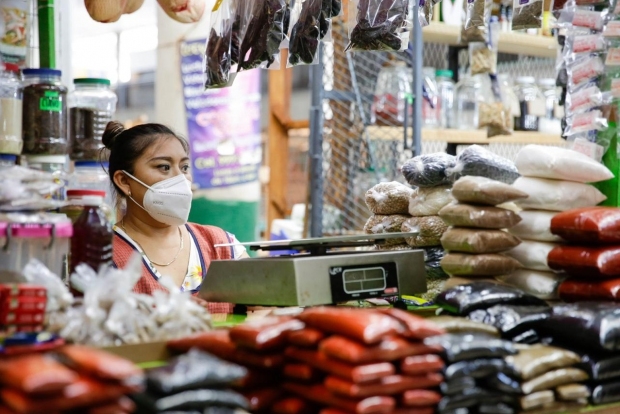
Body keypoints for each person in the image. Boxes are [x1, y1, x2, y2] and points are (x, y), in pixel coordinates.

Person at [102, 121, 248, 313]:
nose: (181, 179)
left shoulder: (220, 246)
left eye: (185, 167)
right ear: (124, 181)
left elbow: (263, 306)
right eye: (164, 167)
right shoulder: (106, 258)